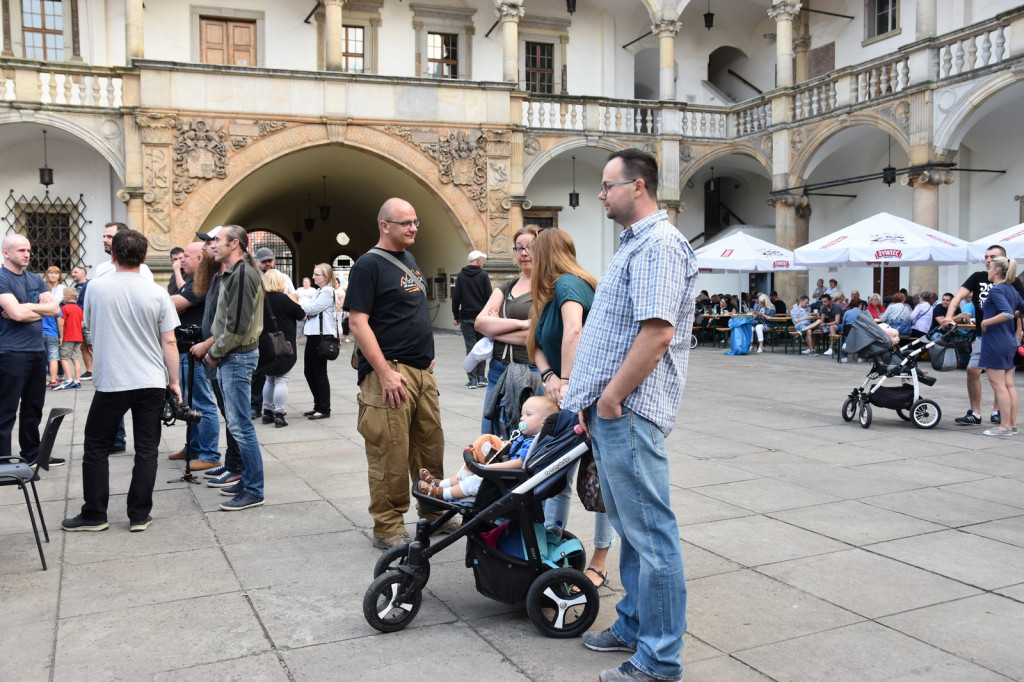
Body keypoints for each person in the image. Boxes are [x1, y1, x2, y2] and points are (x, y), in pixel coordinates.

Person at [562, 149, 694, 682]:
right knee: (631, 529)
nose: (601, 194)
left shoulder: (659, 245)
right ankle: (635, 625)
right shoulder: (637, 244)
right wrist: (591, 404)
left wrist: (612, 398)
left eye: (607, 185)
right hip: (611, 412)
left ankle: (659, 661)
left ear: (637, 187)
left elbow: (657, 333)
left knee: (653, 537)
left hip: (630, 412)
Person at [345, 197, 451, 550]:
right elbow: (358, 323)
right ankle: (388, 526)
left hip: (421, 371)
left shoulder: (409, 260)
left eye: (415, 221)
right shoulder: (367, 265)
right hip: (388, 373)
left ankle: (434, 512)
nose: (413, 228)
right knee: (389, 453)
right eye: (405, 222)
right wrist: (384, 372)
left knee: (429, 448)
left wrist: (427, 357)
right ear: (384, 225)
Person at [61, 228, 180, 532]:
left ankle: (95, 513)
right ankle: (139, 514)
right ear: (143, 258)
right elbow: (169, 343)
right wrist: (174, 382)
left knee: (96, 447)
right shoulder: (157, 293)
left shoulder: (97, 288)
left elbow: (90, 326)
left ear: (112, 255)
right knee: (146, 449)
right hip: (150, 379)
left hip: (112, 378)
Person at [527, 227, 614, 590]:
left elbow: (574, 332)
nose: (527, 258)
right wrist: (549, 374)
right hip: (568, 394)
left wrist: (568, 383)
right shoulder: (548, 295)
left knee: (599, 481)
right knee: (558, 472)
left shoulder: (568, 285)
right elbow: (534, 342)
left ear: (546, 254)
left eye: (532, 251)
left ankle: (601, 558)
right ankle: (552, 539)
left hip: (589, 395)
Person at [190, 225, 266, 511]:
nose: (213, 245)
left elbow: (236, 326)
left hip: (236, 356)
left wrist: (213, 353)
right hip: (231, 356)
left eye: (218, 240)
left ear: (234, 244)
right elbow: (226, 322)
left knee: (241, 426)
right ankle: (246, 481)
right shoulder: (233, 273)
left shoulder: (243, 273)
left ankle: (254, 489)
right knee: (237, 424)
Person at [416, 395, 559, 501]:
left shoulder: (533, 443)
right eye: (522, 414)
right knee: (468, 469)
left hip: (510, 479)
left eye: (528, 415)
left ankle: (442, 494)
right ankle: (441, 483)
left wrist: (491, 468)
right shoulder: (524, 436)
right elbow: (510, 447)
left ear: (543, 422)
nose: (521, 418)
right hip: (503, 471)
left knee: (475, 480)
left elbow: (519, 463)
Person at [942, 244, 1024, 427]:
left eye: (992, 257)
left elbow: (1016, 310)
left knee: (1000, 379)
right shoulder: (978, 277)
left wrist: (1017, 332)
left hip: (1001, 335)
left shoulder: (1009, 283)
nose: (987, 260)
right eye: (986, 256)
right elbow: (957, 297)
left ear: (1001, 262)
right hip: (983, 336)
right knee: (974, 371)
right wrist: (949, 317)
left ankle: (999, 414)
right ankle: (977, 413)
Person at [0, 234, 63, 467]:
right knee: (6, 410)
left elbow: (55, 310)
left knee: (33, 408)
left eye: (28, 250)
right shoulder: (2, 278)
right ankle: (3, 461)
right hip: (10, 353)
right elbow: (15, 315)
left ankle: (32, 454)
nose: (26, 254)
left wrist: (25, 306)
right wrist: (37, 309)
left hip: (37, 351)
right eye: (20, 250)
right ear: (6, 253)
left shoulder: (35, 279)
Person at [94, 222, 154, 455]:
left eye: (109, 236)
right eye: (103, 236)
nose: (105, 240)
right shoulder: (100, 272)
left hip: (133, 345)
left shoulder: (144, 272)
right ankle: (116, 438)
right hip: (109, 343)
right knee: (111, 391)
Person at [475, 225, 540, 434]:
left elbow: (536, 335)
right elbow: (480, 323)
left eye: (529, 247)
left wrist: (497, 329)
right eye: (518, 248)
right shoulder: (507, 286)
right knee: (490, 436)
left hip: (530, 371)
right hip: (498, 369)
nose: (523, 253)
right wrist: (522, 324)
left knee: (523, 435)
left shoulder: (547, 288)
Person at [167, 242, 221, 471]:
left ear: (200, 259)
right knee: (190, 403)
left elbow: (172, 305)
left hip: (196, 351)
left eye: (186, 257)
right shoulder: (191, 282)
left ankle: (209, 453)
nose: (181, 261)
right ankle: (194, 446)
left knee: (202, 403)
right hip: (185, 350)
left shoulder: (202, 283)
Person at [978, 256, 1023, 436]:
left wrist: (985, 322)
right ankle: (1010, 424)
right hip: (1009, 340)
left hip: (996, 341)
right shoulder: (1011, 289)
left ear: (997, 270)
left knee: (999, 386)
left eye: (990, 268)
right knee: (1009, 385)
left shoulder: (996, 290)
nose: (988, 271)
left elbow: (1007, 313)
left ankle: (1004, 426)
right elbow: (1017, 310)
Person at [259, 269, 306, 427]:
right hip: (283, 344)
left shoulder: (259, 300)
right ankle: (279, 413)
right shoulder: (287, 299)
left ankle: (267, 412)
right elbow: (302, 316)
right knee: (282, 379)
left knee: (269, 378)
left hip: (264, 344)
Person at [300, 263, 338, 420]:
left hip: (321, 337)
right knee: (309, 372)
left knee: (319, 373)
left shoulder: (328, 291)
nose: (313, 277)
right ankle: (318, 405)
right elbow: (310, 307)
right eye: (314, 274)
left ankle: (324, 408)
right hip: (313, 335)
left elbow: (311, 309)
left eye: (317, 274)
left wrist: (296, 303)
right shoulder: (319, 291)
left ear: (326, 276)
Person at [452, 249, 492, 388]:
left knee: (470, 347)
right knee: (482, 347)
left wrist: (456, 315)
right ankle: (481, 377)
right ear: (479, 260)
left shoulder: (461, 276)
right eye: (482, 259)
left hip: (467, 317)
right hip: (482, 318)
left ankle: (472, 379)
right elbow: (489, 297)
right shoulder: (483, 275)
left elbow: (456, 297)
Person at [56, 287, 84, 389]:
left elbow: (61, 323)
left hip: (68, 336)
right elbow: (81, 323)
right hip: (78, 336)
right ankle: (77, 380)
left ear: (67, 297)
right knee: (76, 358)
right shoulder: (79, 308)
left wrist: (61, 337)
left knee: (63, 358)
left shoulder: (64, 308)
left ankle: (68, 379)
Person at [70, 265, 93, 379]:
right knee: (83, 346)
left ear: (83, 273)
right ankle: (90, 370)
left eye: (75, 272)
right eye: (72, 272)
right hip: (79, 320)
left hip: (87, 320)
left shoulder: (89, 285)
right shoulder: (75, 287)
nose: (73, 274)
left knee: (92, 345)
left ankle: (104, 368)